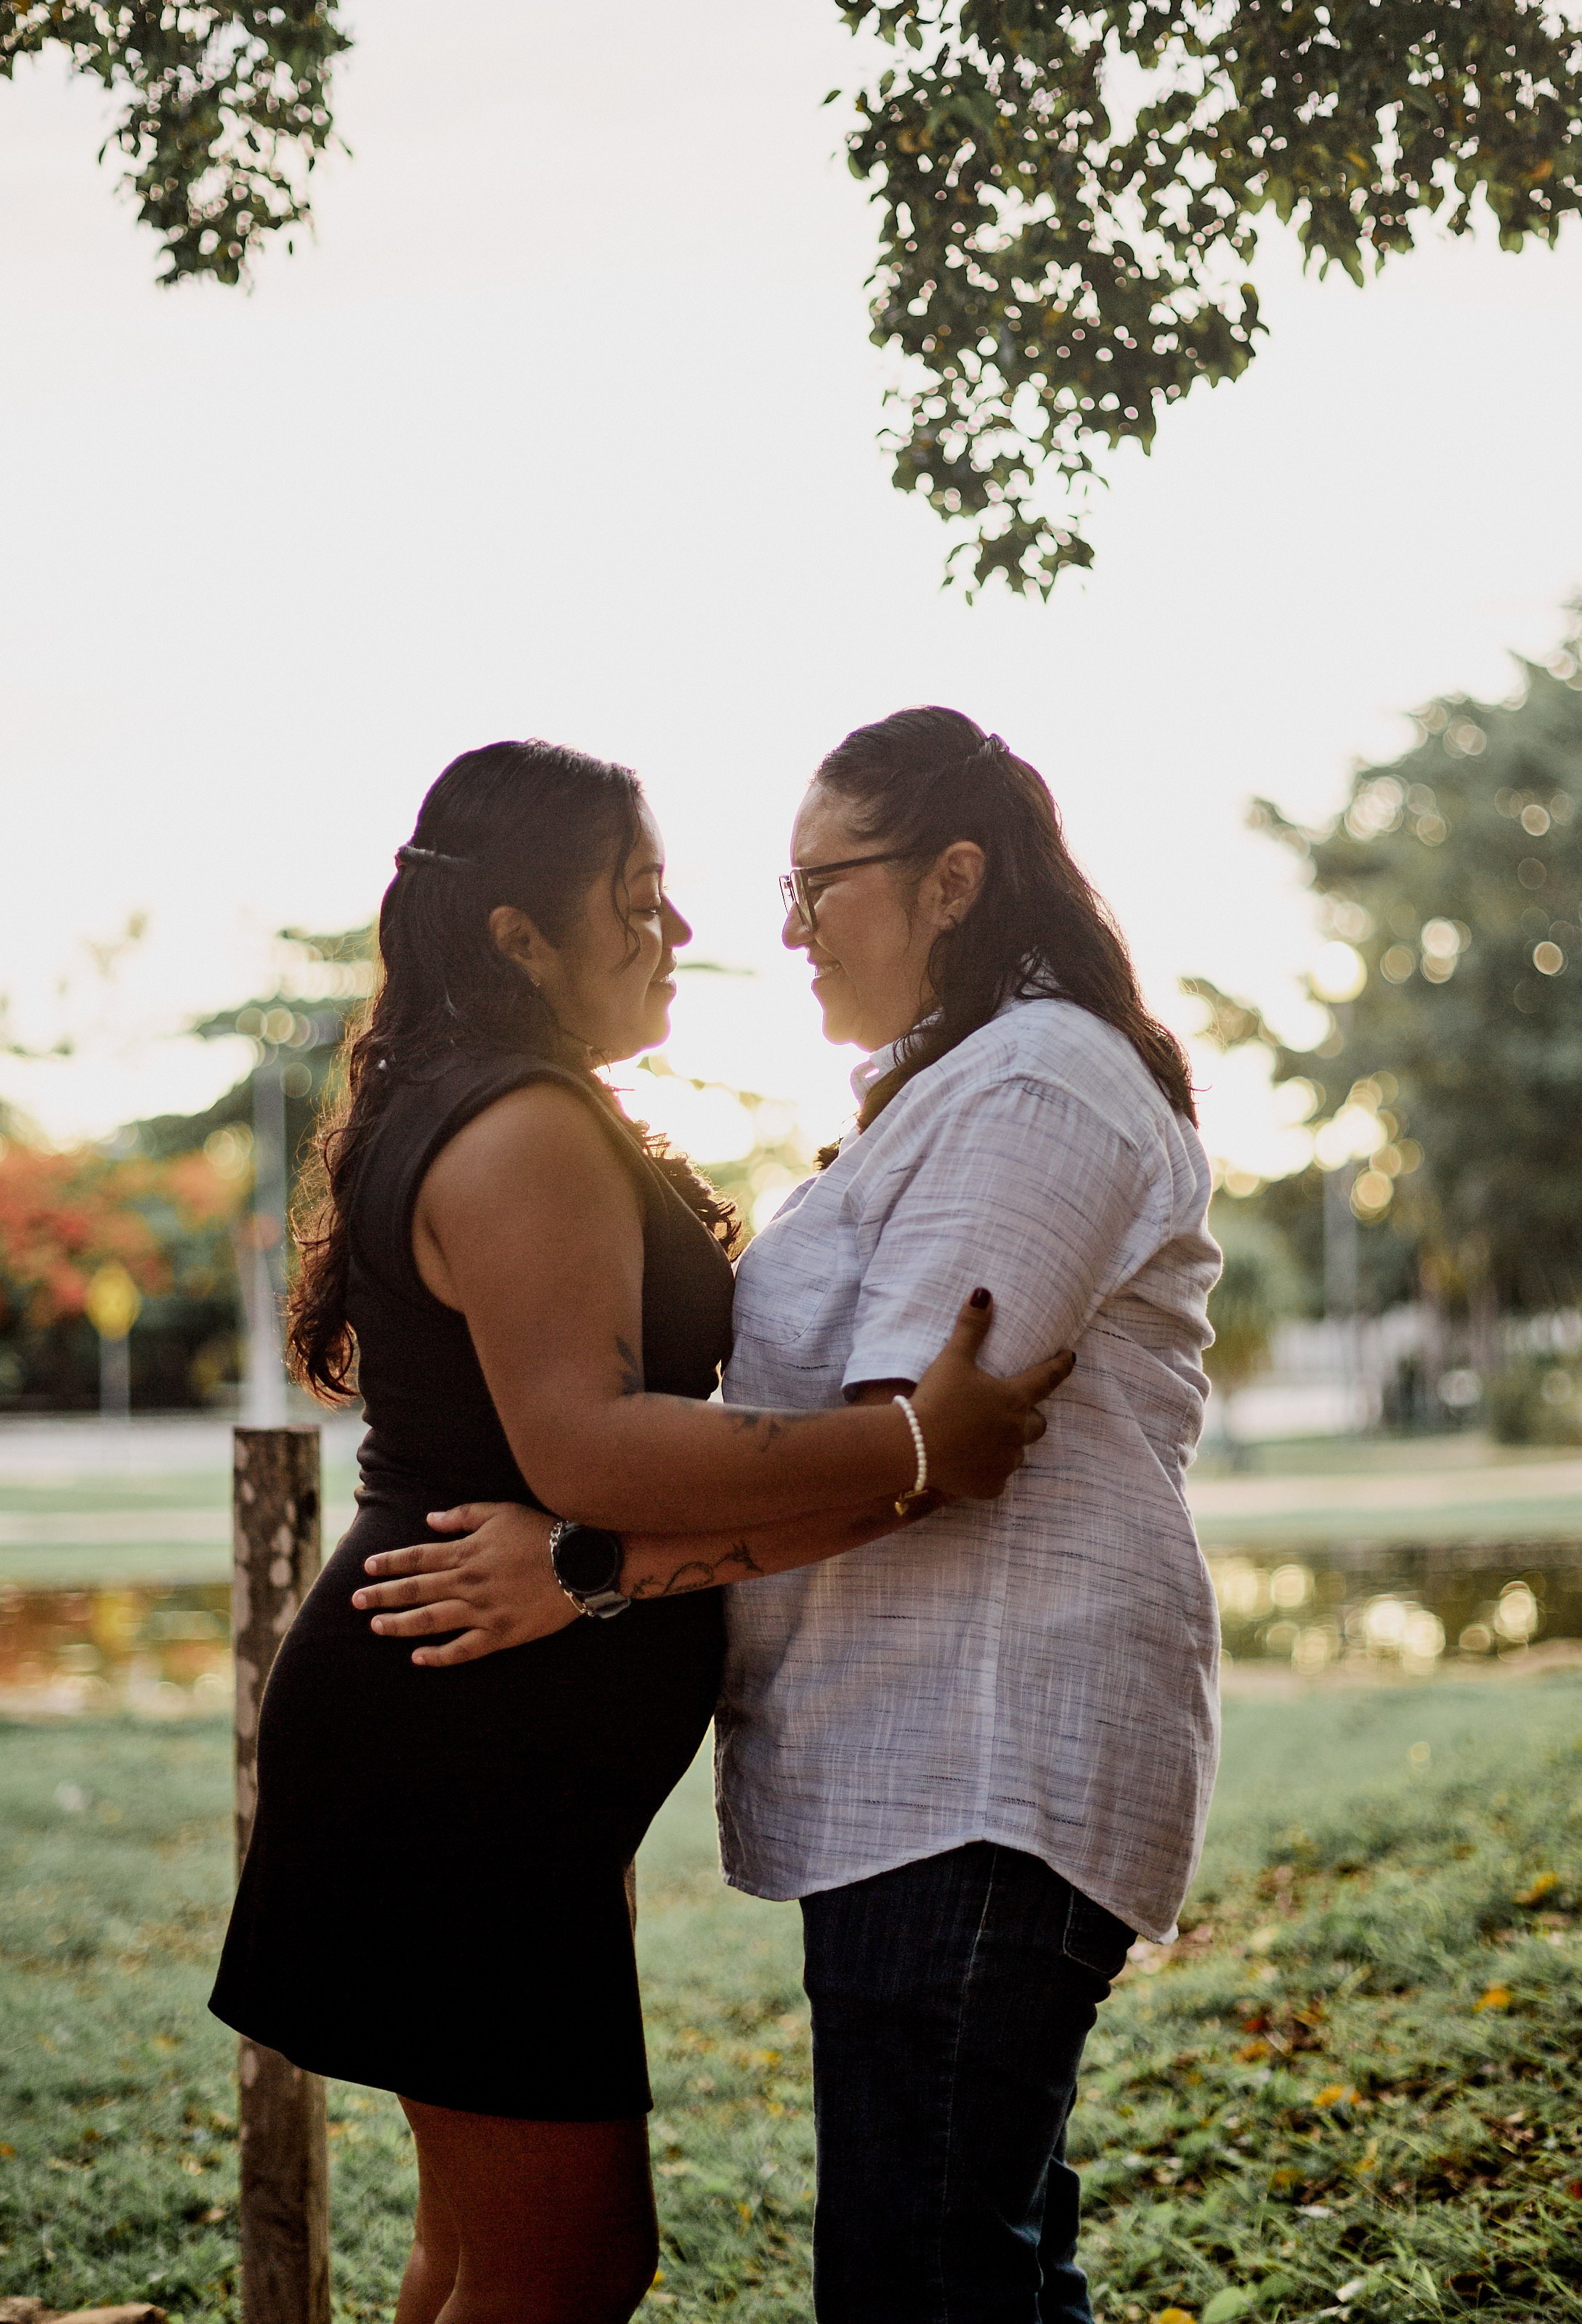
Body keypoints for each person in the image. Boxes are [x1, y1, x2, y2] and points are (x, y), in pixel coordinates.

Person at [360, 708, 1221, 2323]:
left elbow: (900, 1457)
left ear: (953, 879)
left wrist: (588, 1570)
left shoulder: (1037, 1087)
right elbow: (892, 1451)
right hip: (921, 1766)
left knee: (924, 2282)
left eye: (821, 884)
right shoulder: (949, 1090)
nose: (782, 926)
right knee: (975, 2272)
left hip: (984, 1755)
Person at [208, 736, 1071, 2324]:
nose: (676, 935)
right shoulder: (525, 1124)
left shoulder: (498, 1102)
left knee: (479, 2255)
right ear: (515, 939)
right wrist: (910, 1441)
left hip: (464, 1742)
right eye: (635, 902)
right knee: (565, 2266)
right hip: (454, 1752)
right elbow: (589, 1448)